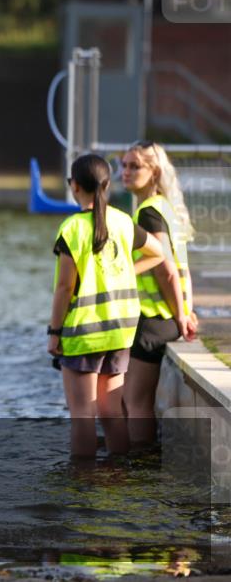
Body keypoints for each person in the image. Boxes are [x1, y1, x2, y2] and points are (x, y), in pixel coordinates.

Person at [47, 154, 164, 459]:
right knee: (112, 410)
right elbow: (158, 252)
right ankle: (118, 478)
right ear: (106, 185)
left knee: (82, 416)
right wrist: (127, 271)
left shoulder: (72, 229)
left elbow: (64, 287)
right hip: (120, 331)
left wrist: (54, 332)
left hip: (85, 331)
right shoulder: (123, 221)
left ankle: (83, 487)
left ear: (74, 186)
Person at [120, 141, 197, 446]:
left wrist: (180, 315)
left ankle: (140, 469)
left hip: (154, 319)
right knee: (132, 401)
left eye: (134, 166)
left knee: (134, 402)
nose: (125, 172)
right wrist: (186, 308)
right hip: (165, 314)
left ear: (154, 172)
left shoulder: (148, 214)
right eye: (124, 165)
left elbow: (165, 268)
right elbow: (183, 268)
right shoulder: (164, 207)